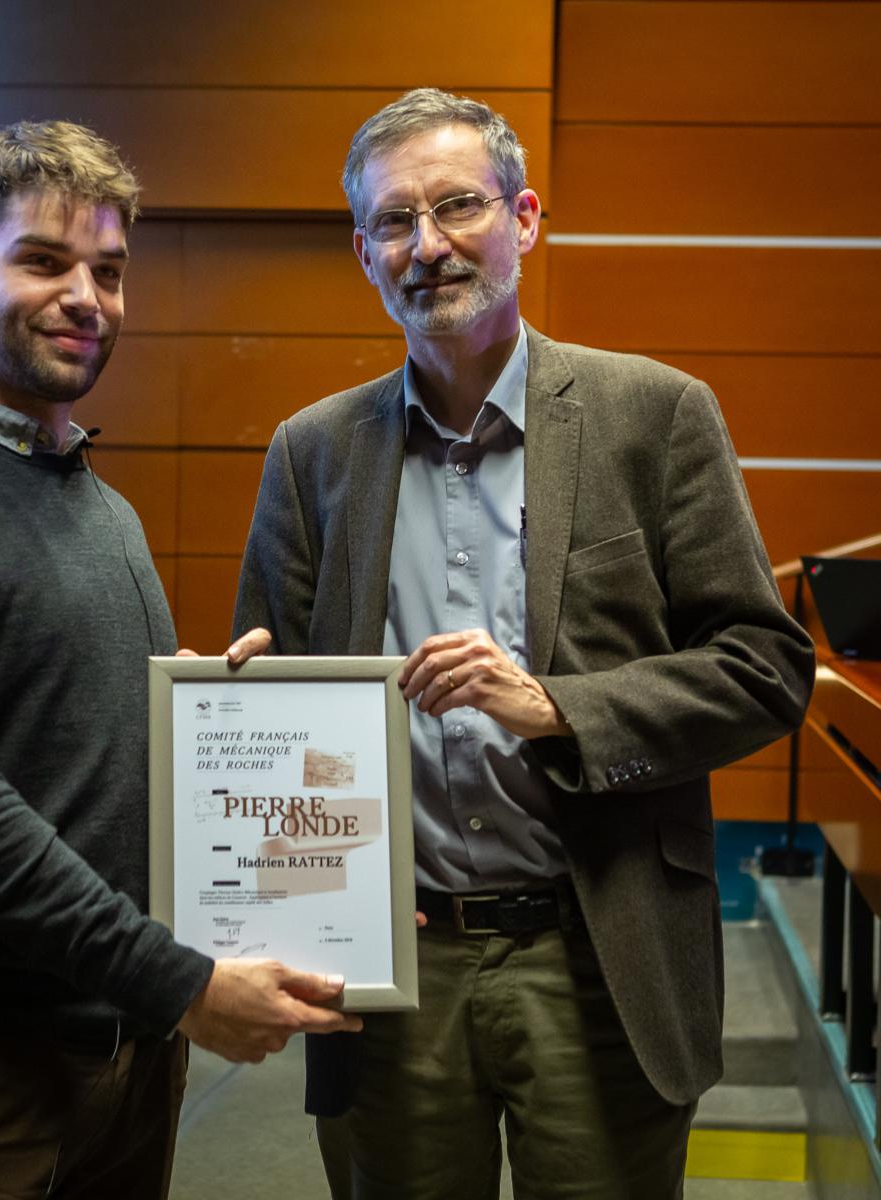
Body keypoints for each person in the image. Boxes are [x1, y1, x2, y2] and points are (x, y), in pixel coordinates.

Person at [232, 88, 814, 1199]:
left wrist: (557, 708)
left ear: (526, 217)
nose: (429, 245)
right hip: (396, 965)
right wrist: (289, 839)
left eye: (458, 207)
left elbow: (764, 667)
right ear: (364, 253)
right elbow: (277, 697)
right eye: (395, 223)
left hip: (596, 950)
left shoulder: (656, 414)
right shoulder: (311, 452)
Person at [0, 119, 359, 1200]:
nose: (86, 297)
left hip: (123, 1059)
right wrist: (184, 985)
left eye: (108, 270)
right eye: (45, 261)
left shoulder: (101, 508)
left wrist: (215, 734)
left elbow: (75, 755)